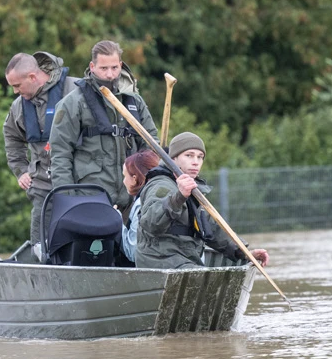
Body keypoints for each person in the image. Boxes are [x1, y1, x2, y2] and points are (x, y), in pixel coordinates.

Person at [49, 40, 158, 211]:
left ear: (121, 65)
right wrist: (68, 201)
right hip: (89, 198)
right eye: (103, 68)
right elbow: (60, 154)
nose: (110, 75)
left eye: (114, 68)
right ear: (92, 67)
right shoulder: (73, 103)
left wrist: (151, 189)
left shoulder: (134, 101)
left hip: (132, 198)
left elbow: (151, 146)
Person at [136, 132, 269, 270]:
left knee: (205, 274)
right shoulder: (161, 185)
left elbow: (211, 229)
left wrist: (244, 252)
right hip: (159, 259)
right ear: (173, 158)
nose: (196, 162)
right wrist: (178, 197)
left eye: (200, 157)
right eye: (189, 155)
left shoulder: (192, 188)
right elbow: (150, 223)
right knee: (203, 277)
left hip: (185, 259)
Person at [2, 52, 80, 252]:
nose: (14, 92)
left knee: (80, 241)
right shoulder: (19, 106)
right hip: (43, 185)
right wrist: (20, 169)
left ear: (32, 77)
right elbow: (11, 136)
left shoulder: (76, 89)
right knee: (40, 245)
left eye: (17, 86)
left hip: (80, 181)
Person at [120, 150, 161, 263]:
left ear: (134, 178)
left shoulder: (141, 203)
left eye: (125, 176)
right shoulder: (167, 194)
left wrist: (116, 219)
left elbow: (133, 252)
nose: (123, 181)